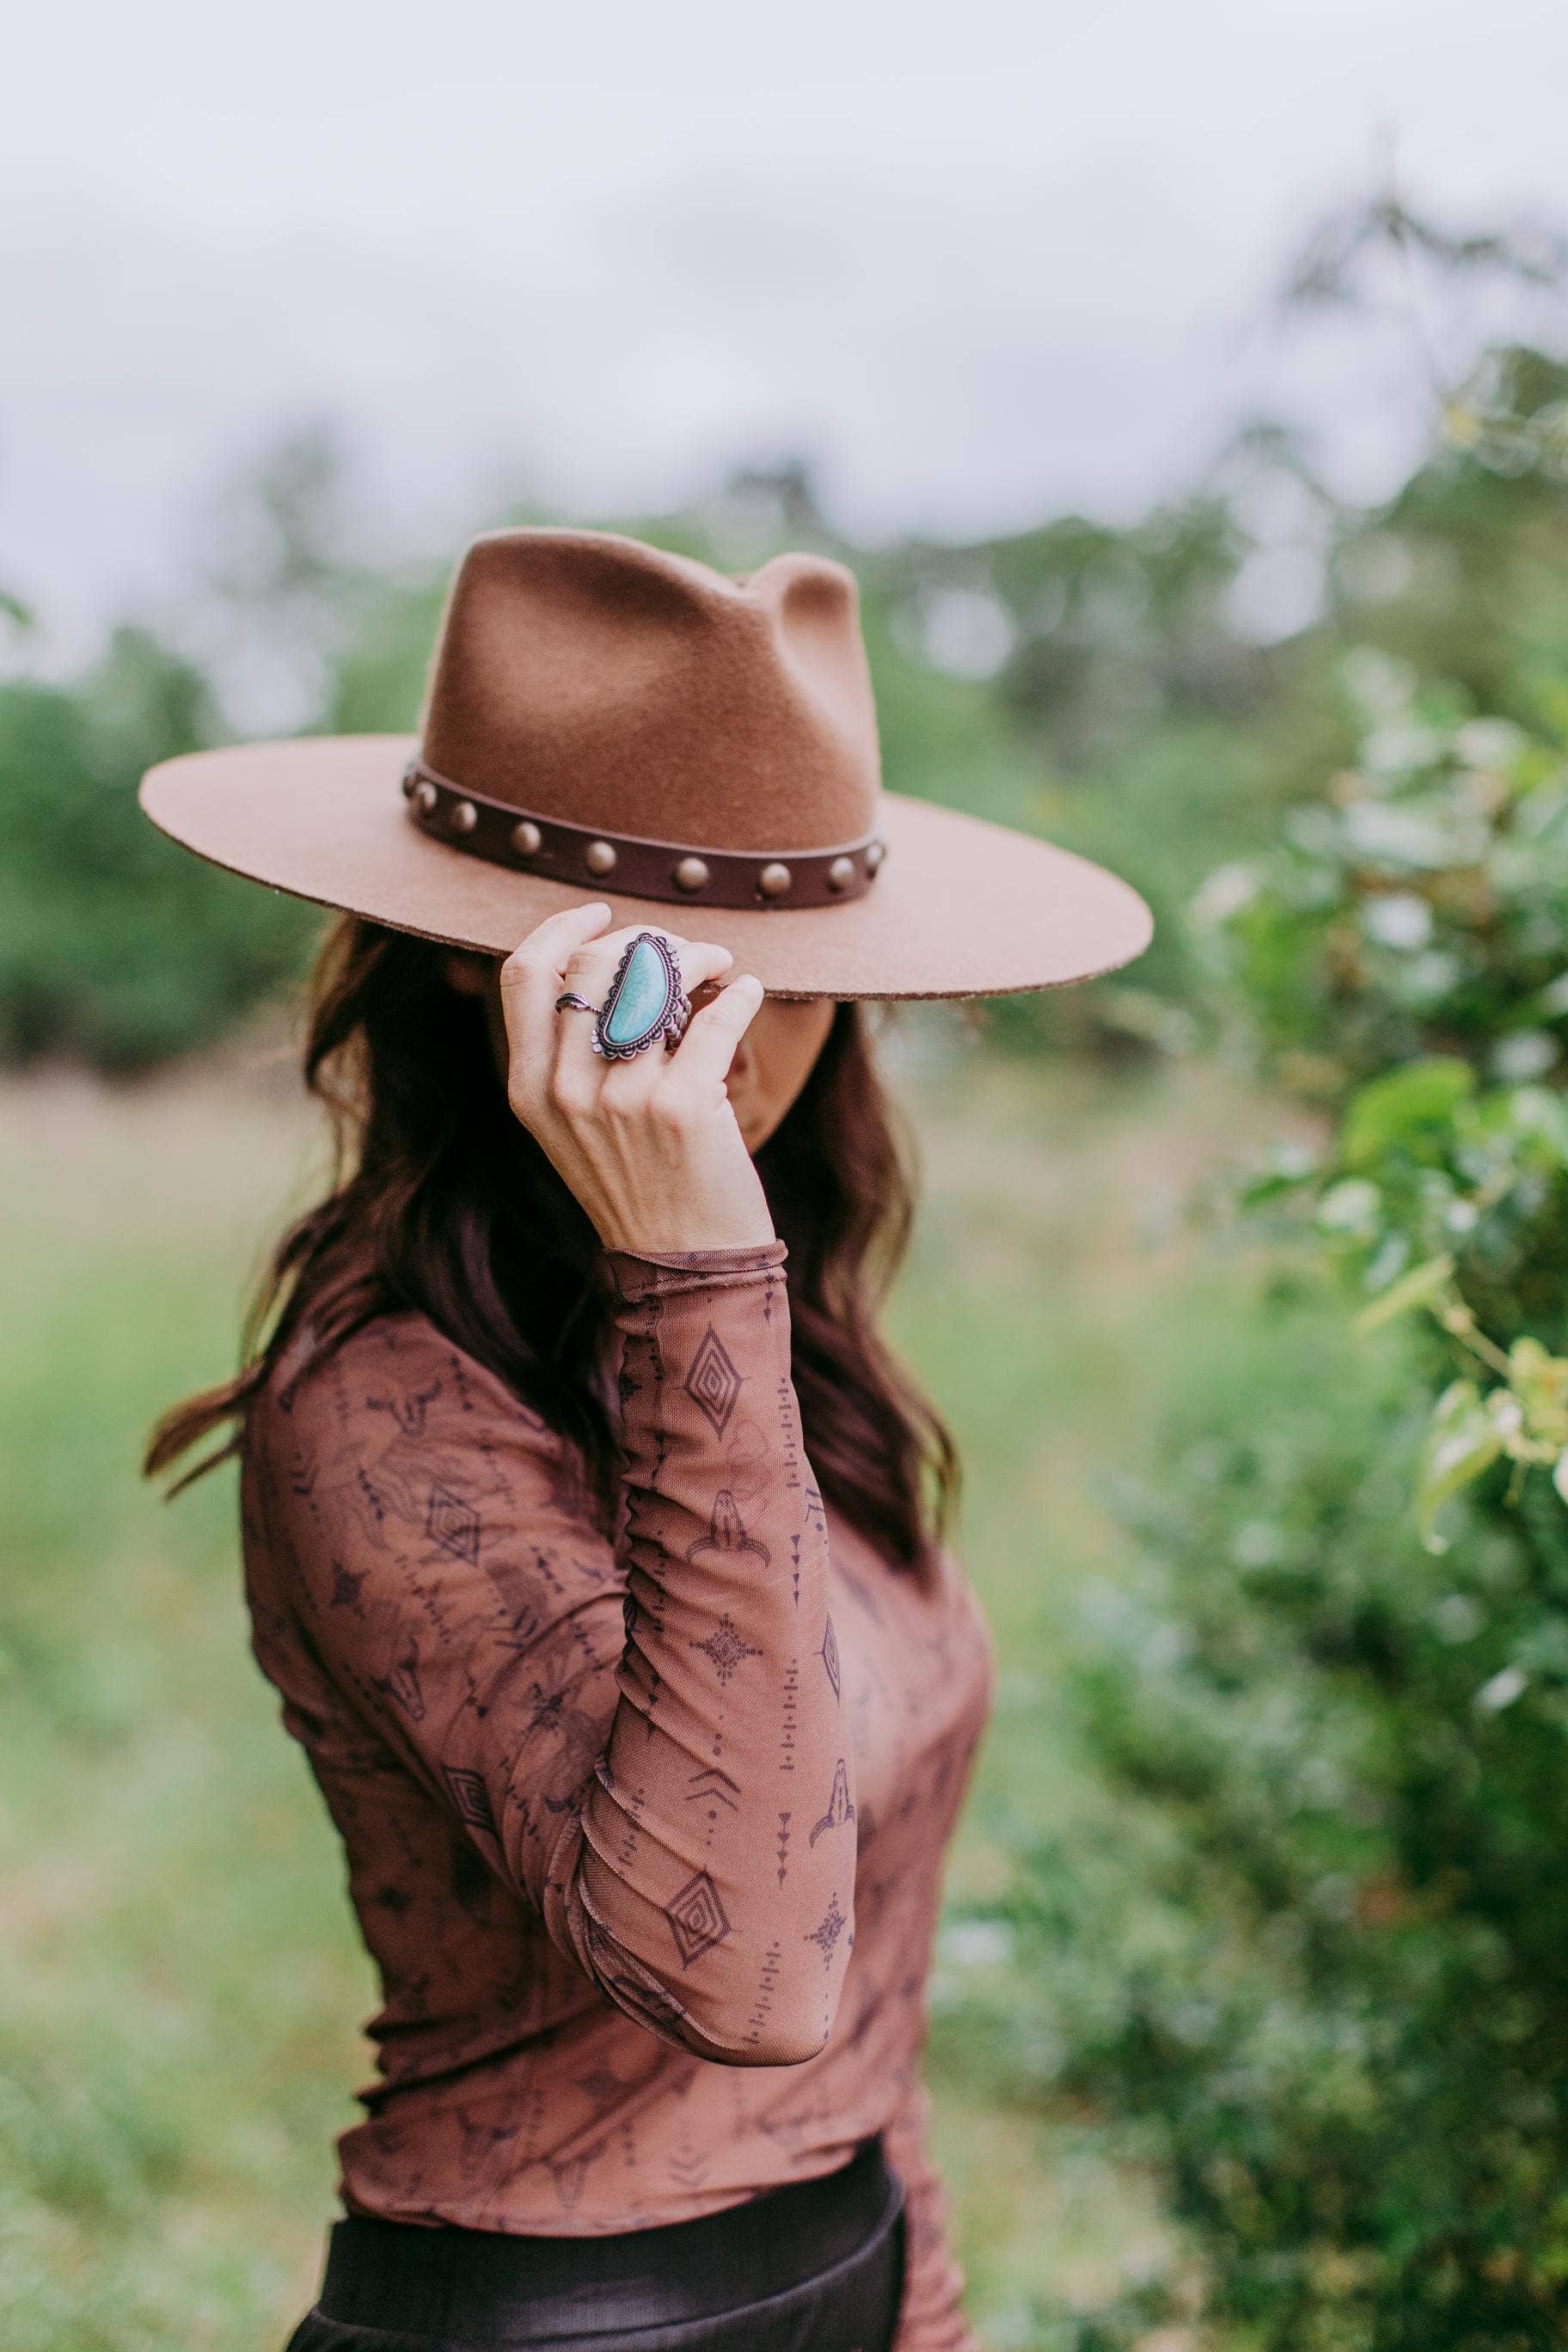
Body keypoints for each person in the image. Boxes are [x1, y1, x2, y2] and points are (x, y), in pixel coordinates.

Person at [140, 528, 1150, 2352]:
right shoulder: (379, 1398)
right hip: (556, 2312)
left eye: (801, 954)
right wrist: (691, 1253)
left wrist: (917, 2303)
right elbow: (744, 1965)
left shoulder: (770, 1336)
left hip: (842, 2265)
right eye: (691, 957)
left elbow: (862, 1955)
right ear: (487, 970)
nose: (748, 1025)